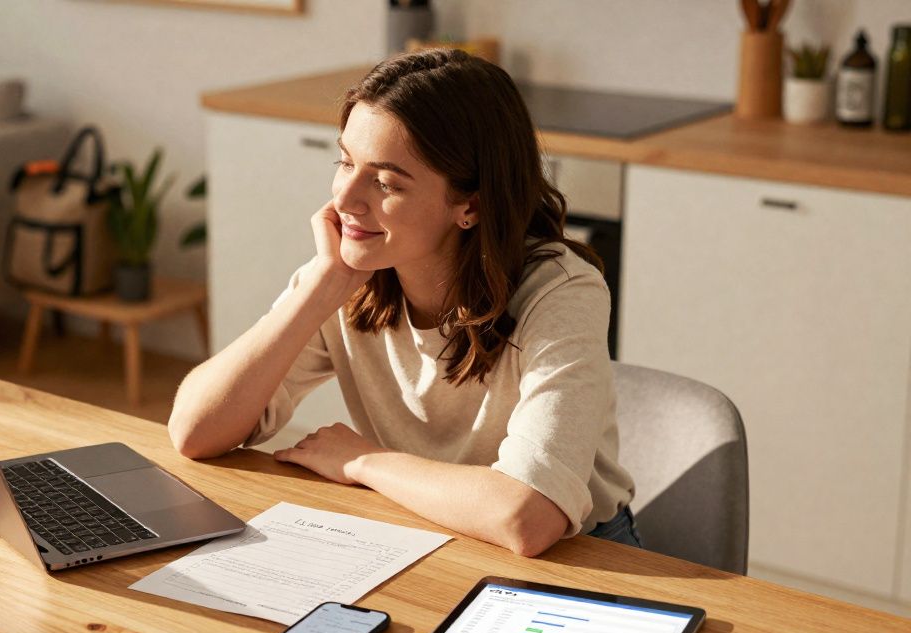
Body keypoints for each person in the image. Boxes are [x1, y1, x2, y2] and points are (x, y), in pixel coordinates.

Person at [168, 49, 640, 557]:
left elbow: (527, 517)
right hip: (422, 527)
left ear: (470, 204)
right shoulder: (348, 277)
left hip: (581, 557)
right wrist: (317, 290)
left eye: (386, 182)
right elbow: (195, 432)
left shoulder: (562, 291)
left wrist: (363, 462)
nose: (345, 199)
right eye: (345, 162)